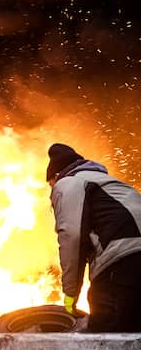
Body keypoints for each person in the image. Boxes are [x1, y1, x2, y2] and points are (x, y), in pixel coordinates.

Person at [45, 142, 141, 332]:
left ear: (56, 176)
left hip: (121, 266)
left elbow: (72, 236)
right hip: (132, 260)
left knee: (105, 337)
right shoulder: (111, 184)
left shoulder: (67, 182)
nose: (51, 190)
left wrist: (70, 295)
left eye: (50, 185)